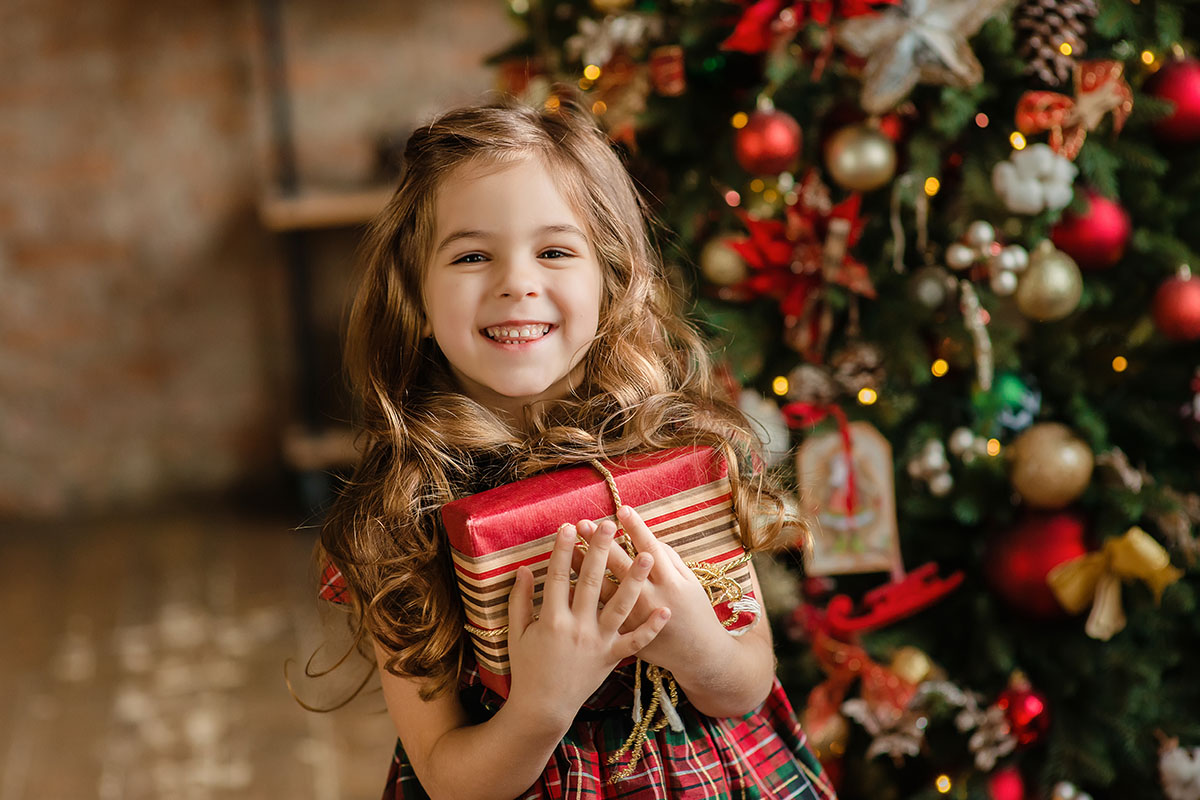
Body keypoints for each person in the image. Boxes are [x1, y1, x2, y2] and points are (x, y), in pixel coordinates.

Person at [314, 92, 837, 800]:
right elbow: (445, 776)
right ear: (418, 301)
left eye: (555, 250)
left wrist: (694, 644)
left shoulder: (680, 450)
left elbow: (747, 683)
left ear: (611, 280)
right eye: (471, 256)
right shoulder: (400, 517)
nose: (517, 284)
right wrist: (541, 705)